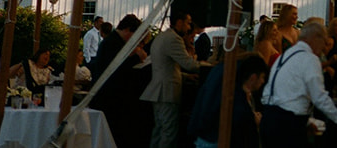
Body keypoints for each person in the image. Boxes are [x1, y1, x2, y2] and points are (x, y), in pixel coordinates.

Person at [258, 19, 337, 148]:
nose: (323, 48)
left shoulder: (285, 56)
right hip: (288, 125)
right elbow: (319, 97)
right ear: (315, 38)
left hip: (269, 119)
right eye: (324, 42)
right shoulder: (309, 59)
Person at [142, 10, 201, 148]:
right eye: (188, 24)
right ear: (179, 22)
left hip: (158, 89)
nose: (188, 28)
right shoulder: (174, 39)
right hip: (167, 91)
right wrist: (209, 67)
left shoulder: (162, 36)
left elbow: (166, 67)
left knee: (159, 129)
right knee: (169, 132)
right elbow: (188, 64)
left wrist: (185, 76)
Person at [88, 14, 149, 148]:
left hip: (113, 98)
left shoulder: (115, 42)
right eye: (134, 35)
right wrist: (136, 58)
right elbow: (115, 69)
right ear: (127, 30)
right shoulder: (112, 43)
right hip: (109, 99)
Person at [189, 52, 267, 148]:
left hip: (205, 133)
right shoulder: (232, 83)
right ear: (253, 77)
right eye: (262, 77)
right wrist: (252, 119)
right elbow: (238, 118)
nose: (263, 81)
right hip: (215, 137)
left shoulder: (222, 71)